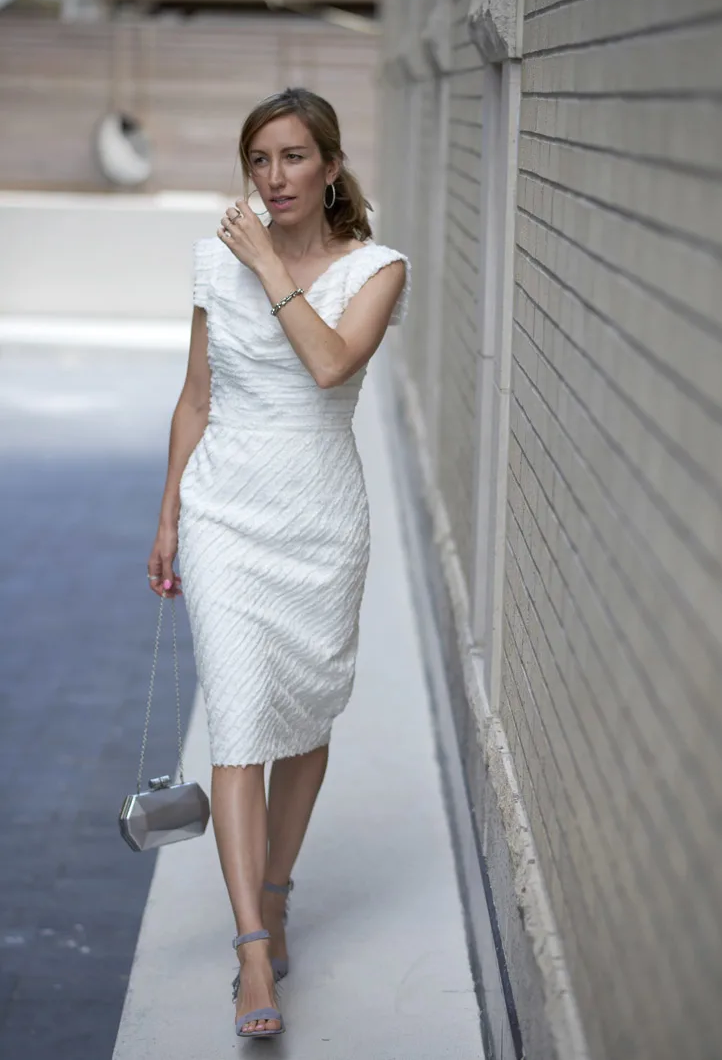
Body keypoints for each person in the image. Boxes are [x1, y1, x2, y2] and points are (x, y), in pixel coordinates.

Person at [146, 87, 410, 1040]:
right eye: (259, 160)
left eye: (293, 157)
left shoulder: (377, 268)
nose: (274, 177)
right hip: (224, 512)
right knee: (239, 722)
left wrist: (266, 264)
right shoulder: (214, 259)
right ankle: (253, 949)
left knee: (303, 716)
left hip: (318, 521)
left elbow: (332, 364)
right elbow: (196, 395)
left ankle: (277, 889)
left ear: (331, 167)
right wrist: (170, 514)